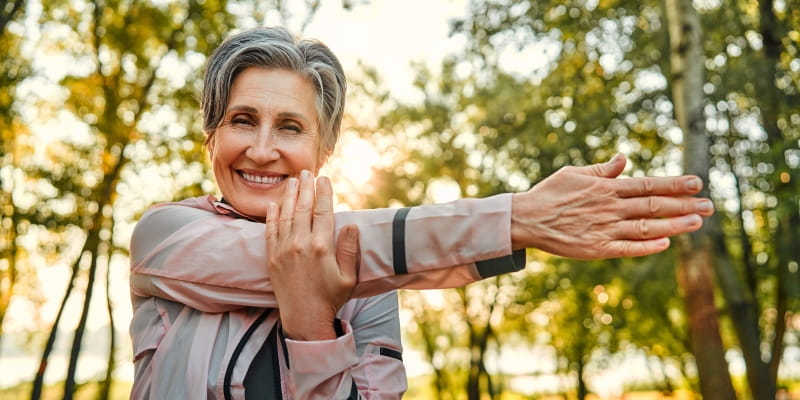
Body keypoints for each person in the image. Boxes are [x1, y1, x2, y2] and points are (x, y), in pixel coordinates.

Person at [128, 27, 715, 399]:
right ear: (211, 137)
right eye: (240, 120)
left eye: (289, 127)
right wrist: (518, 219)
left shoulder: (370, 292)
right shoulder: (164, 236)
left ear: (322, 151)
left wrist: (314, 332)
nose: (261, 149)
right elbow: (295, 256)